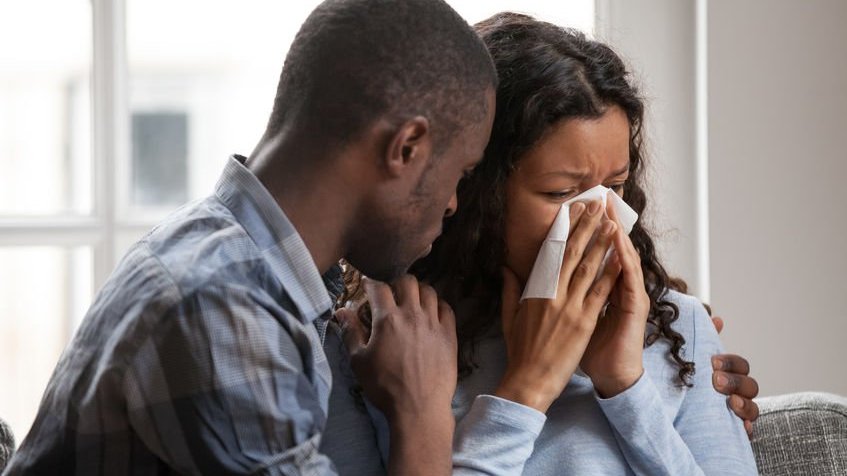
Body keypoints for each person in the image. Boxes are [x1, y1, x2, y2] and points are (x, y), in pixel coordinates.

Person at [4, 1, 497, 474]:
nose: (453, 202)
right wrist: (422, 417)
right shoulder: (220, 304)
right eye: (460, 172)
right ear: (406, 148)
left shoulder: (249, 271)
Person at [328, 12, 759, 475]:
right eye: (561, 193)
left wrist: (626, 386)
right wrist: (527, 389)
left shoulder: (679, 328)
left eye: (615, 187)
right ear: (472, 190)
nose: (602, 219)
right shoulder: (383, 345)